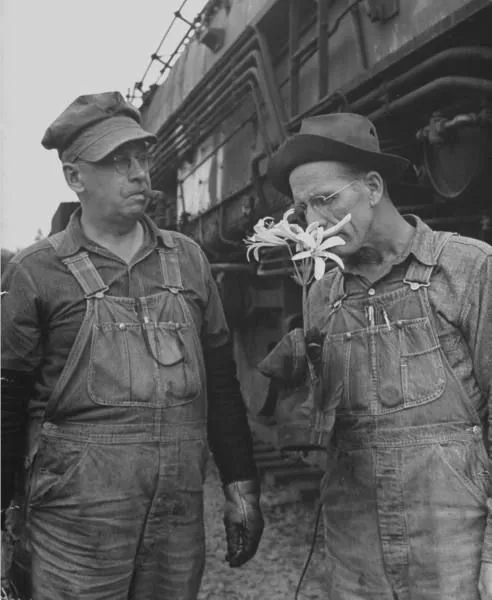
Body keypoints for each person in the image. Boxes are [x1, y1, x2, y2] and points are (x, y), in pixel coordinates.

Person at [1, 91, 264, 600]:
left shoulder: (188, 260)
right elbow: (6, 402)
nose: (140, 173)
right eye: (118, 161)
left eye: (142, 157)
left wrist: (241, 487)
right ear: (75, 177)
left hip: (177, 520)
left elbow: (221, 384)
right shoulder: (36, 272)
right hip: (75, 527)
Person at [266, 113, 492, 600]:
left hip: (455, 549)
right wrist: (301, 395)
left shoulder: (468, 268)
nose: (313, 223)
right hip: (355, 549)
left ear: (372, 187)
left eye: (326, 199)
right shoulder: (323, 293)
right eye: (302, 208)